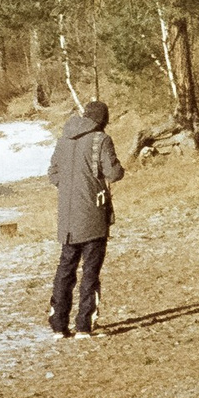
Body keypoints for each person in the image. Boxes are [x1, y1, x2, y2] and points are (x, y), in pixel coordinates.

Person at [46, 99, 124, 338]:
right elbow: (113, 173)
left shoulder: (63, 139)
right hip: (93, 215)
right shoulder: (101, 140)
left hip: (67, 219)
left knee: (65, 269)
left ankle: (58, 326)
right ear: (103, 120)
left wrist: (70, 188)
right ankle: (83, 326)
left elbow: (53, 174)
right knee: (90, 271)